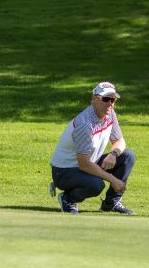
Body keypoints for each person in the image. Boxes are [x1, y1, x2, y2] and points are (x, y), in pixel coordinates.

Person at [49, 82, 136, 215]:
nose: (110, 103)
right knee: (96, 185)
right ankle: (68, 199)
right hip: (64, 171)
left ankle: (111, 203)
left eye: (113, 100)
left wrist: (113, 153)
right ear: (94, 99)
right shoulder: (84, 124)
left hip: (88, 163)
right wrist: (114, 180)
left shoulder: (110, 114)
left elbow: (119, 141)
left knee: (127, 156)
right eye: (106, 99)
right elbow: (84, 164)